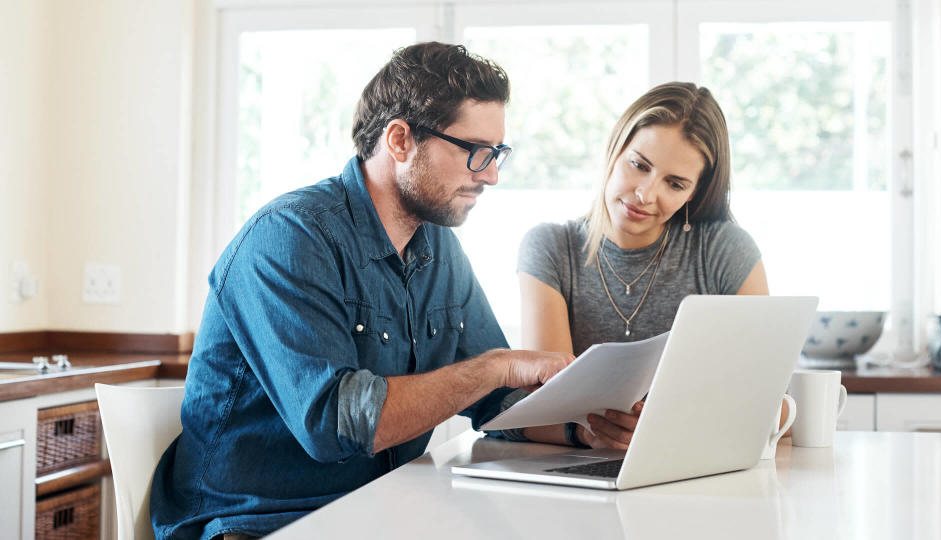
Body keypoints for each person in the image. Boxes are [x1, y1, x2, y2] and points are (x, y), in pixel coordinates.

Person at [149, 42, 585, 540]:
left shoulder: (437, 246)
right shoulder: (288, 237)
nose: (491, 174)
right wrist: (496, 365)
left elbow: (499, 401)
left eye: (497, 153)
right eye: (475, 153)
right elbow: (337, 423)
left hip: (382, 512)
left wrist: (582, 429)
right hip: (259, 523)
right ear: (399, 140)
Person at [517, 82, 771, 448]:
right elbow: (549, 406)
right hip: (583, 475)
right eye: (639, 165)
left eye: (675, 183)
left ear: (694, 193)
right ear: (614, 148)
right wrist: (592, 435)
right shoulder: (551, 248)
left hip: (693, 466)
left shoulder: (724, 250)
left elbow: (768, 400)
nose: (646, 194)